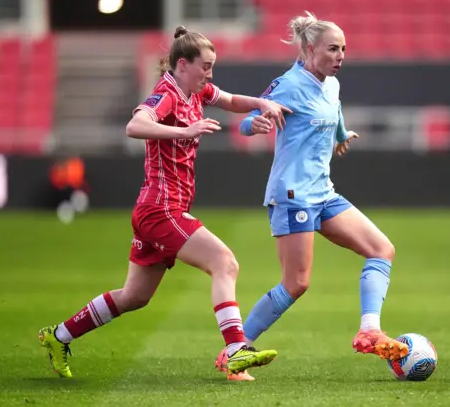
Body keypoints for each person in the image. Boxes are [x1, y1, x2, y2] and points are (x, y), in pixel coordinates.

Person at [38, 26, 291, 381]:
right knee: (225, 263)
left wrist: (261, 102)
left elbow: (231, 101)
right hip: (161, 209)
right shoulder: (167, 93)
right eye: (206, 66)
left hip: (161, 208)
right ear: (183, 64)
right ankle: (235, 350)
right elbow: (135, 125)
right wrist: (183, 131)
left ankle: (57, 336)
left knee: (134, 296)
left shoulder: (196, 92)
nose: (210, 74)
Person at [216, 11, 408, 377]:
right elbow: (250, 114)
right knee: (297, 283)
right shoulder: (288, 84)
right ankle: (234, 351)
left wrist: (340, 135)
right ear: (308, 49)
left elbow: (333, 112)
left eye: (344, 49)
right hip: (292, 195)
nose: (340, 56)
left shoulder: (331, 84)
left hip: (323, 193)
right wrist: (252, 124)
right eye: (333, 49)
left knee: (382, 249)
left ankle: (369, 330)